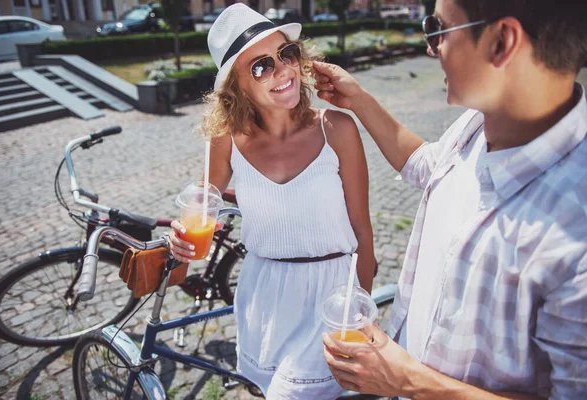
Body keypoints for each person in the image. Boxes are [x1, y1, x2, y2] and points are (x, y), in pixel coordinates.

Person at [315, 0, 587, 398]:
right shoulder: (481, 121)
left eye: (438, 29)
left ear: (501, 41)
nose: (431, 47)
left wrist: (406, 381)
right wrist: (357, 99)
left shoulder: (576, 230)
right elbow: (428, 165)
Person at [168, 3, 375, 398]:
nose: (282, 71)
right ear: (237, 86)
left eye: (287, 54)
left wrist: (357, 313)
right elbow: (200, 216)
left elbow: (363, 234)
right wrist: (180, 241)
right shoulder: (225, 140)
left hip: (331, 296)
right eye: (261, 67)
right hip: (264, 296)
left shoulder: (338, 129)